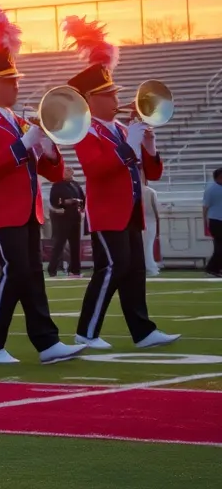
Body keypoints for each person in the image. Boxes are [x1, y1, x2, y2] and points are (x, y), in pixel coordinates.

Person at [0, 2, 82, 365]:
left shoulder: (20, 120)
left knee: (32, 274)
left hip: (29, 208)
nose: (15, 86)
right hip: (1, 208)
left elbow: (55, 174)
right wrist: (24, 144)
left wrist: (48, 150)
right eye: (9, 81)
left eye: (15, 80)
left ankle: (46, 342)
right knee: (16, 271)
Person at [61, 18, 178, 350]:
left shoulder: (119, 129)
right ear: (91, 100)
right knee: (111, 269)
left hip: (130, 211)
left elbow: (150, 173)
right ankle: (87, 332)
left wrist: (149, 147)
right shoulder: (86, 130)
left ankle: (142, 331)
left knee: (134, 271)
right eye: (109, 94)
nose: (116, 99)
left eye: (114, 93)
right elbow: (96, 170)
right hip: (107, 212)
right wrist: (130, 145)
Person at [47, 167, 85, 277]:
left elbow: (83, 199)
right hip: (63, 218)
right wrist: (65, 202)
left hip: (75, 217)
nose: (68, 172)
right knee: (59, 244)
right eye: (66, 170)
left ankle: (75, 270)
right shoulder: (57, 185)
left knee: (75, 245)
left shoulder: (76, 185)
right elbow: (53, 201)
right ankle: (52, 269)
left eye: (70, 170)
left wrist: (80, 205)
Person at [204, 167, 222, 277]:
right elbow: (205, 207)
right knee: (219, 246)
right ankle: (212, 268)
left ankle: (216, 268)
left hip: (216, 220)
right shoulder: (211, 189)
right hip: (216, 220)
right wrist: (205, 222)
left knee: (219, 246)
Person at [141, 183, 160, 276]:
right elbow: (156, 210)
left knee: (143, 246)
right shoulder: (151, 192)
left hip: (140, 221)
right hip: (150, 221)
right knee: (149, 245)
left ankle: (147, 266)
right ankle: (150, 267)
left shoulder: (133, 190)